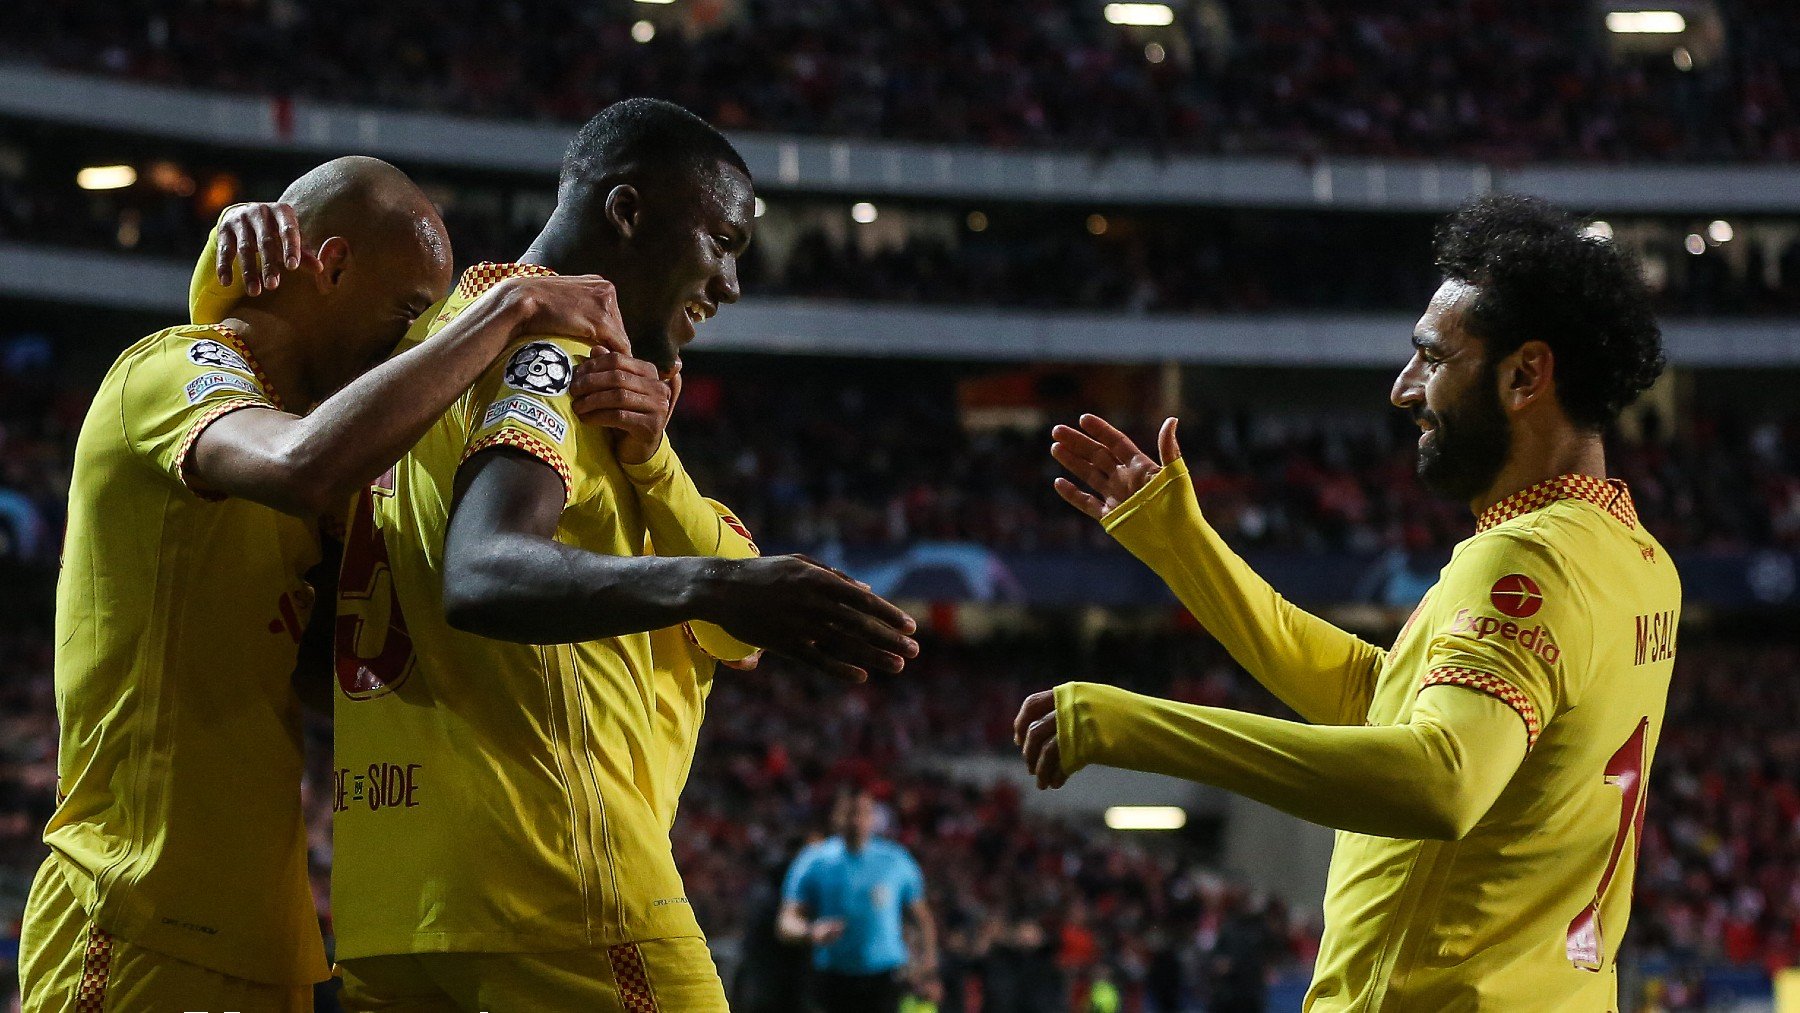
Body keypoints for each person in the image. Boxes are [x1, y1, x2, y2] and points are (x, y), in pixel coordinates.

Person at [326, 98, 919, 1011]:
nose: (727, 282)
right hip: (555, 881)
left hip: (393, 905)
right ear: (629, 212)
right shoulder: (556, 353)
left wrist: (662, 473)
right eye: (721, 239)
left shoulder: (415, 360)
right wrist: (724, 585)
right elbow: (486, 570)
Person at [1018, 194, 1679, 1010]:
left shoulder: (1528, 557)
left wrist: (1136, 726)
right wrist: (1181, 547)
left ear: (1525, 375)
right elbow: (1381, 696)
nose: (1405, 389)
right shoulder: (1635, 557)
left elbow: (1440, 779)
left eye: (1433, 358)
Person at [19, 157, 628, 1011]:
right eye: (406, 311)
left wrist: (635, 445)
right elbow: (302, 461)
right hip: (133, 914)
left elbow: (350, 669)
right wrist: (513, 307)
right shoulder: (168, 368)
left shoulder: (318, 471)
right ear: (332, 266)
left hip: (271, 933)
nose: (411, 340)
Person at [779, 787, 940, 1013]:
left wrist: (928, 968)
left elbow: (922, 917)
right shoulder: (814, 861)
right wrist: (811, 931)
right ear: (836, 816)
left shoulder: (896, 860)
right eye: (849, 812)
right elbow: (786, 921)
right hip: (833, 978)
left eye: (863, 812)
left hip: (886, 977)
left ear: (873, 817)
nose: (856, 820)